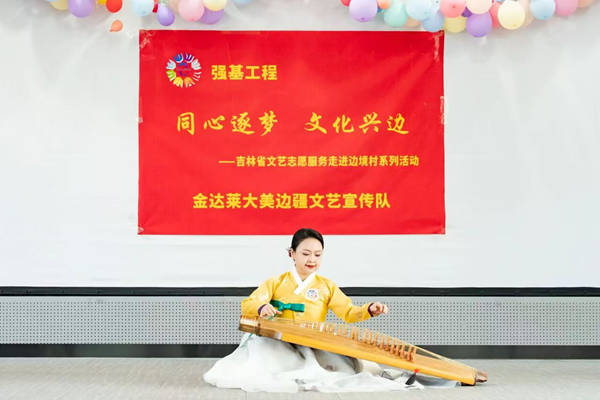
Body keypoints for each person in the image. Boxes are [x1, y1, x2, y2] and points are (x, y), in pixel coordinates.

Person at [203, 228, 457, 392]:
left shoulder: (326, 286)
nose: (311, 260)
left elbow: (348, 313)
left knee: (347, 369)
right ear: (292, 254)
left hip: (313, 341)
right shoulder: (276, 282)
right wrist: (262, 306)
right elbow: (248, 303)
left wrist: (369, 309)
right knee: (264, 364)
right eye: (305, 253)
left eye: (317, 254)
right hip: (278, 339)